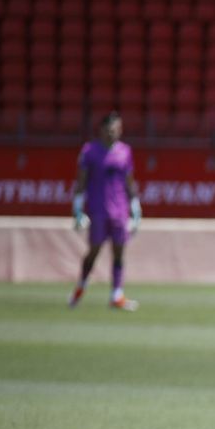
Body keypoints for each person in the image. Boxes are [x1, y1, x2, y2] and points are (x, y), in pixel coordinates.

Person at [69, 110, 143, 311]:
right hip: (98, 209)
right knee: (94, 251)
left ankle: (116, 295)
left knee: (119, 252)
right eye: (111, 129)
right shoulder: (89, 151)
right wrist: (77, 209)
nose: (114, 133)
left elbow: (129, 182)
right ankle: (80, 287)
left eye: (118, 129)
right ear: (102, 130)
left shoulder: (125, 151)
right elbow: (81, 182)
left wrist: (135, 207)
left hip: (120, 210)